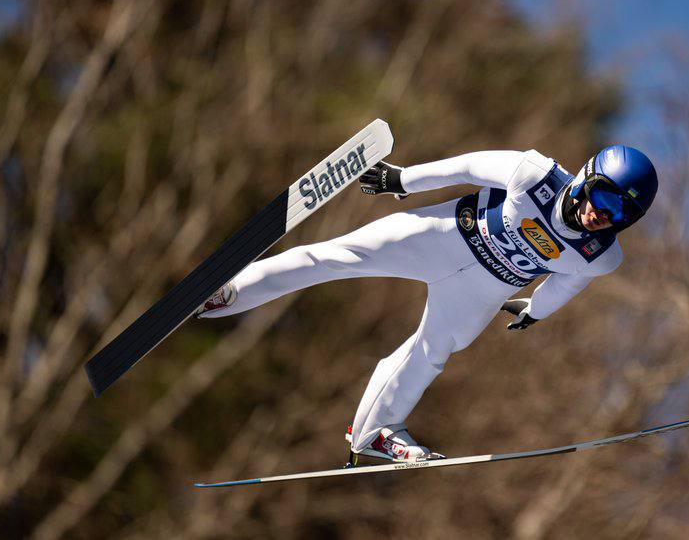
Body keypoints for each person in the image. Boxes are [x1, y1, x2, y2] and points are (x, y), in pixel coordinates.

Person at [197, 145, 659, 463]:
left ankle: (375, 433)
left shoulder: (601, 256)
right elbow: (466, 168)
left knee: (432, 350)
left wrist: (534, 310)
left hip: (483, 287)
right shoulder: (533, 173)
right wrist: (403, 179)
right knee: (336, 257)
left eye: (621, 213)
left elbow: (567, 284)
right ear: (585, 179)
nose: (603, 214)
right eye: (604, 197)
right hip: (444, 238)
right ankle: (230, 290)